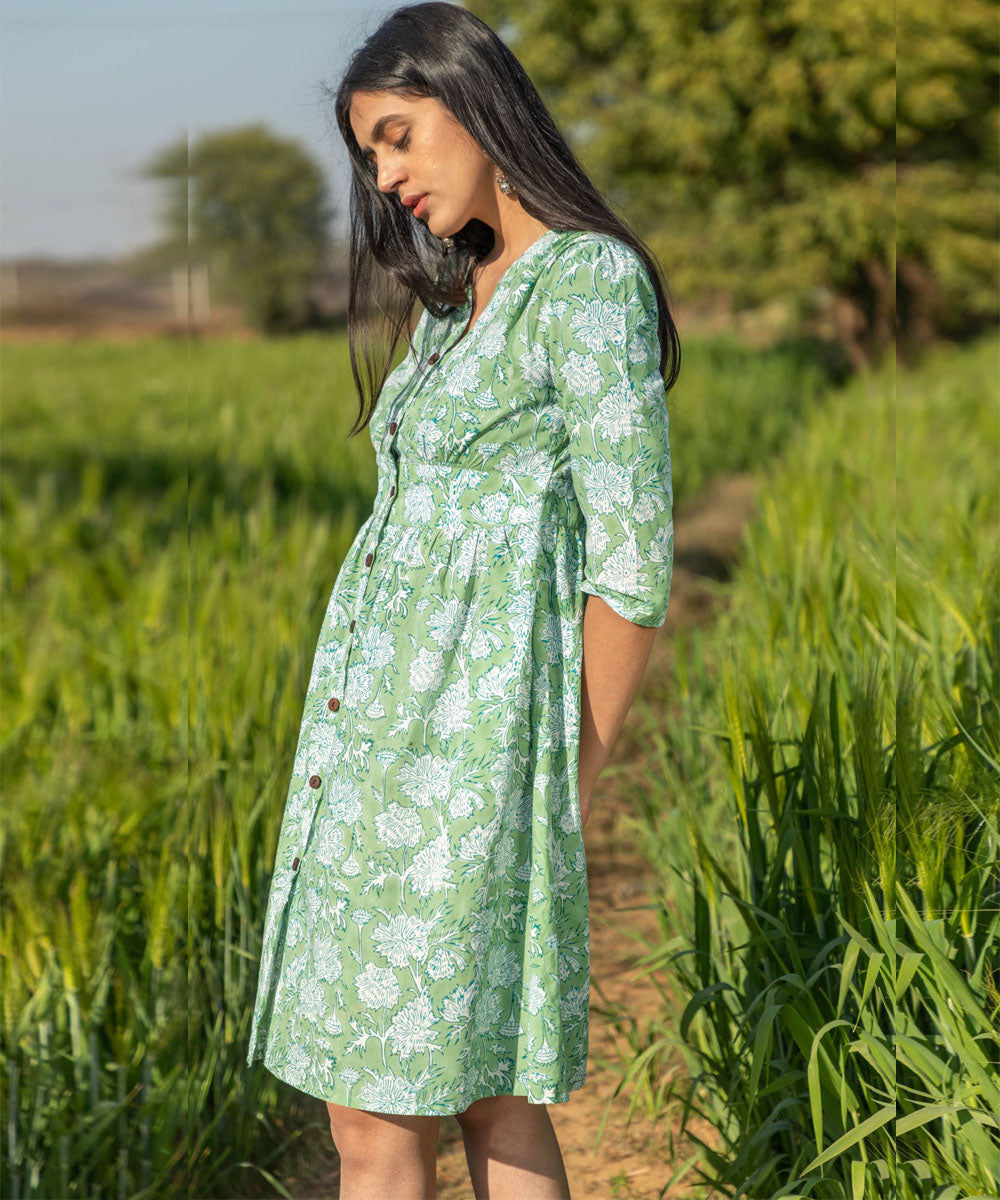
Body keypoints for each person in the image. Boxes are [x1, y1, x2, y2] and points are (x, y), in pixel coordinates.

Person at [246, 3, 680, 1196]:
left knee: (380, 1125)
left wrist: (568, 777)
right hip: (370, 753)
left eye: (397, 136)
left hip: (466, 770)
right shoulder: (457, 303)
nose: (385, 178)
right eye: (368, 156)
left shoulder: (582, 287)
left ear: (476, 102)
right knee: (486, 1097)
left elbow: (634, 565)